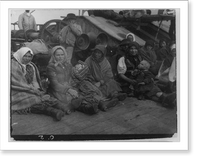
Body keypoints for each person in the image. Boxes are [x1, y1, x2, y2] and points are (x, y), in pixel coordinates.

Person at [11, 47, 65, 121]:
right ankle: (53, 112)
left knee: (44, 96)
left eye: (29, 56)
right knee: (33, 99)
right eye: (25, 56)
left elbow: (35, 81)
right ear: (20, 55)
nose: (27, 58)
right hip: (16, 91)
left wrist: (37, 90)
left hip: (29, 90)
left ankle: (63, 108)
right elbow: (17, 83)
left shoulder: (31, 66)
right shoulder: (13, 65)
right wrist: (32, 90)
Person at [85, 45, 127, 111]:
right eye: (95, 52)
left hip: (103, 81)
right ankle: (109, 99)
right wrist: (93, 81)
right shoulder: (89, 60)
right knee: (92, 89)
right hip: (92, 82)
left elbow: (109, 75)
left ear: (103, 54)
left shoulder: (106, 62)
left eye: (99, 53)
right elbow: (85, 72)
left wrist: (101, 82)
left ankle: (114, 95)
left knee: (111, 82)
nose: (96, 54)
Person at [46, 46, 83, 114]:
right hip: (56, 90)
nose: (60, 57)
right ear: (54, 56)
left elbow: (73, 77)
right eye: (58, 55)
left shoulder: (67, 65)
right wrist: (68, 90)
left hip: (67, 86)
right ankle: (68, 107)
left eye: (62, 55)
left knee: (79, 94)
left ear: (64, 55)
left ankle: (76, 106)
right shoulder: (51, 66)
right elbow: (55, 85)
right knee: (68, 99)